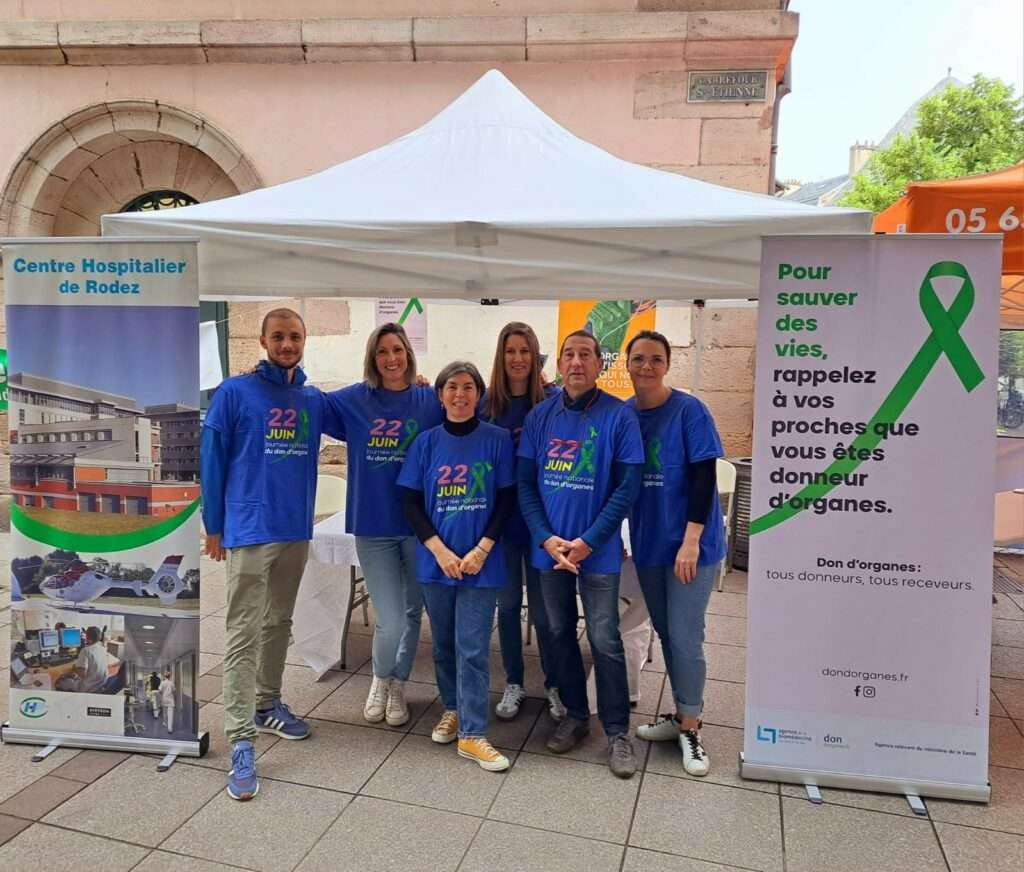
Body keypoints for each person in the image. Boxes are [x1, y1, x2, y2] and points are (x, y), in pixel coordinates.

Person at [202, 307, 342, 802]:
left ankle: (267, 703)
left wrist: (420, 390)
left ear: (305, 341)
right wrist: (213, 526)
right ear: (262, 340)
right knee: (242, 630)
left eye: (295, 336)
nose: (288, 344)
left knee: (279, 622)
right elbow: (212, 457)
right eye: (279, 336)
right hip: (247, 528)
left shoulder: (311, 398)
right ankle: (241, 738)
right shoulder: (234, 393)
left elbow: (369, 414)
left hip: (293, 530)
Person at [518, 330, 645, 778]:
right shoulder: (540, 416)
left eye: (585, 355)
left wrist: (590, 540)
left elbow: (627, 486)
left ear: (599, 364)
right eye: (569, 354)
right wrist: (545, 537)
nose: (576, 362)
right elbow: (526, 484)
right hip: (548, 550)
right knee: (554, 632)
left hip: (599, 550)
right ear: (560, 363)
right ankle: (575, 714)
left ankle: (617, 732)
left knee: (605, 638)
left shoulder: (619, 417)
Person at [398, 361, 516, 770]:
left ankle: (473, 733)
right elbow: (410, 501)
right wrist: (439, 551)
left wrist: (482, 549)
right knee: (444, 645)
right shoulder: (426, 443)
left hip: (481, 563)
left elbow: (506, 499)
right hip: (438, 563)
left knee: (473, 648)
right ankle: (452, 707)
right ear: (441, 395)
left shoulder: (498, 440)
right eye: (452, 387)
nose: (460, 395)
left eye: (468, 387)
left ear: (479, 393)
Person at [325, 323, 443, 727]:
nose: (391, 358)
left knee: (413, 612)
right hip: (373, 524)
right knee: (390, 617)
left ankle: (398, 684)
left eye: (398, 349)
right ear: (372, 359)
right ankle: (380, 678)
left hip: (419, 526)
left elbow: (475, 402)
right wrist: (265, 373)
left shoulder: (429, 400)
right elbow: (304, 403)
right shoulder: (355, 400)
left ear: (409, 353)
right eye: (382, 352)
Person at [626, 330, 726, 777]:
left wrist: (690, 541)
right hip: (649, 544)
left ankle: (691, 725)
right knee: (666, 634)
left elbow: (704, 477)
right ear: (626, 364)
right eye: (638, 359)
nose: (646, 366)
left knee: (686, 636)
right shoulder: (625, 415)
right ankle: (679, 715)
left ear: (667, 364)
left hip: (691, 546)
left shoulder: (689, 411)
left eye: (655, 359)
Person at [483, 322, 565, 722]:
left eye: (525, 351)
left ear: (536, 357)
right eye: (510, 351)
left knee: (546, 612)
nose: (517, 359)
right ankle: (514, 680)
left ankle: (554, 684)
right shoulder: (486, 404)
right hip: (500, 524)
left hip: (543, 524)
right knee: (509, 605)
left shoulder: (554, 401)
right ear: (501, 357)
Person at [71, 626, 108, 693]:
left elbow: (82, 674)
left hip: (88, 688)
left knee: (61, 681)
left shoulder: (86, 650)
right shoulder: (103, 648)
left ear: (87, 637)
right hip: (101, 685)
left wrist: (75, 668)